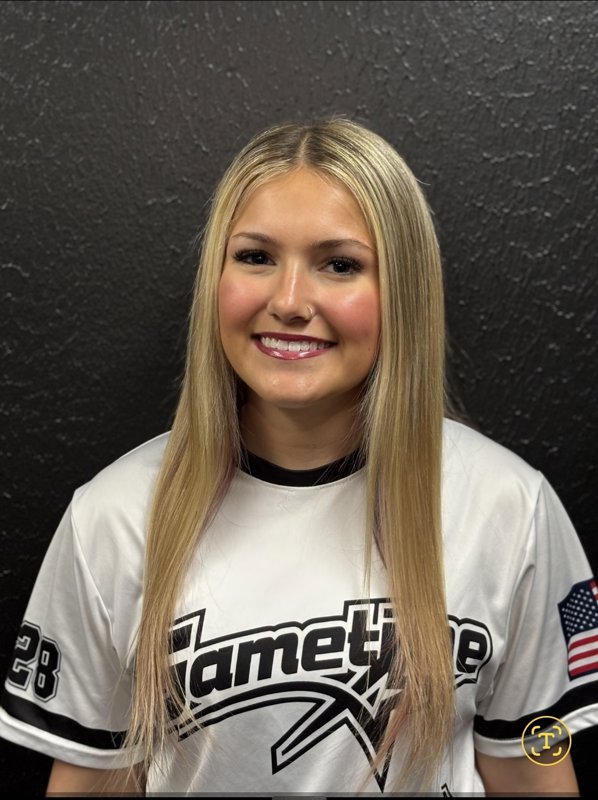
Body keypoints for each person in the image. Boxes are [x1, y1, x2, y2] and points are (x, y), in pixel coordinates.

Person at [1, 118, 597, 795]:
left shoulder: (507, 507)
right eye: (255, 257)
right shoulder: (112, 518)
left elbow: (534, 764)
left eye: (339, 265)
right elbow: (92, 785)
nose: (287, 302)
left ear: (402, 289)